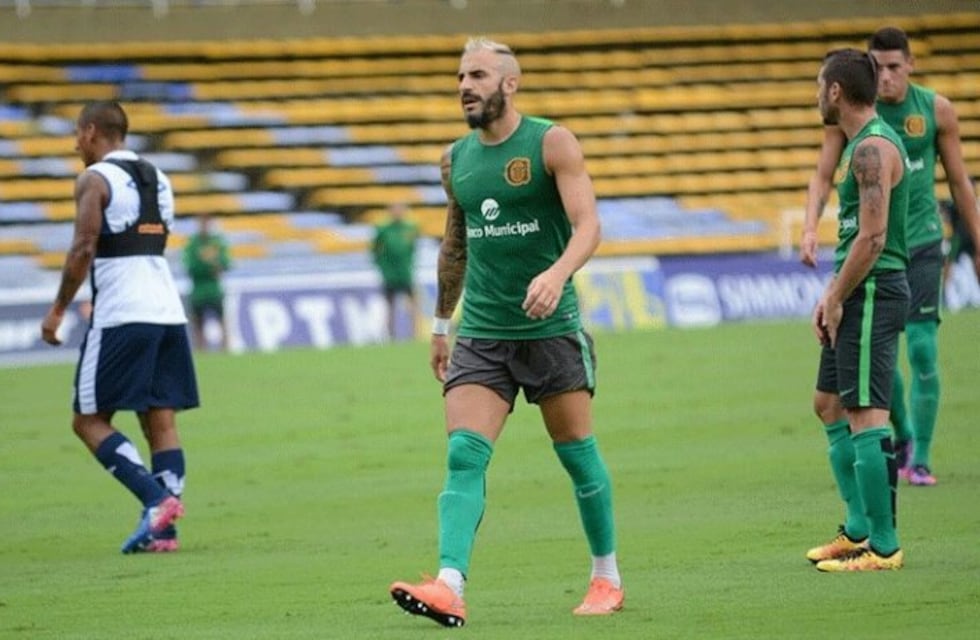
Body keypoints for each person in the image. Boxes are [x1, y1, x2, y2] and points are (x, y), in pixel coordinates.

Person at [388, 38, 623, 626]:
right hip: (483, 334)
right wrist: (442, 323)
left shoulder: (551, 142)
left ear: (509, 84)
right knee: (464, 455)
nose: (465, 85)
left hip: (551, 330)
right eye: (461, 75)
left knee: (577, 457)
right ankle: (448, 584)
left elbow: (589, 224)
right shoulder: (455, 159)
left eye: (478, 75)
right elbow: (455, 244)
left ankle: (606, 576)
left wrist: (558, 272)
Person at [800, 27, 980, 487]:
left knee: (920, 347)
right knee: (879, 362)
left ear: (911, 65)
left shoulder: (935, 110)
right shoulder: (854, 121)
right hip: (870, 253)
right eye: (877, 68)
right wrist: (807, 227)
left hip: (918, 244)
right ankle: (897, 435)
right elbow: (822, 175)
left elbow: (960, 183)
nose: (886, 77)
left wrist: (977, 240)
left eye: (895, 67)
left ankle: (919, 455)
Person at [41, 101, 198, 554]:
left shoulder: (95, 179)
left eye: (77, 134)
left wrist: (57, 310)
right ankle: (164, 533)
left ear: (92, 131)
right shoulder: (160, 178)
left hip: (122, 312)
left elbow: (84, 245)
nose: (75, 144)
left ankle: (156, 501)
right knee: (160, 419)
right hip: (167, 308)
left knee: (88, 418)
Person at [804, 49, 910, 572]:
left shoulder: (871, 150)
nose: (815, 96)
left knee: (865, 412)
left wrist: (838, 297)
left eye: (818, 86)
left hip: (872, 290)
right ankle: (858, 528)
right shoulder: (860, 147)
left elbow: (872, 238)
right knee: (828, 403)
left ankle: (884, 546)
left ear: (836, 92)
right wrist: (831, 295)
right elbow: (854, 237)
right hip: (853, 289)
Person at [370, 202, 420, 340]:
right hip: (390, 275)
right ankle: (391, 336)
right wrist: (382, 267)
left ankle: (415, 335)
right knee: (390, 307)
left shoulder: (411, 227)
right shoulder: (383, 229)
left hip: (406, 274)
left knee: (413, 304)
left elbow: (413, 248)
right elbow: (375, 250)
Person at [183, 212, 231, 351]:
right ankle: (201, 352)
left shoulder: (217, 241)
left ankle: (225, 351)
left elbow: (226, 263)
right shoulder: (192, 243)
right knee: (198, 325)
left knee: (222, 322)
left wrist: (209, 265)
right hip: (198, 292)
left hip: (214, 290)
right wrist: (210, 266)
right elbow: (190, 266)